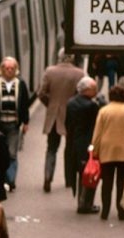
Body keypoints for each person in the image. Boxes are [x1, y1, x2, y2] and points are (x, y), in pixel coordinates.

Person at [36, 51, 86, 193]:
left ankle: (48, 177)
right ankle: (69, 179)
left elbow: (41, 93)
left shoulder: (50, 71)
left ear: (59, 57)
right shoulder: (79, 74)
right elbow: (82, 94)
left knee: (51, 148)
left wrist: (50, 104)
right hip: (72, 116)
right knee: (70, 149)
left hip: (53, 115)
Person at [91, 84, 124, 221]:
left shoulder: (104, 111)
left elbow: (97, 133)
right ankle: (121, 211)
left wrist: (95, 150)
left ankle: (105, 211)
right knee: (122, 182)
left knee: (107, 182)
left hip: (107, 150)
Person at [0, 57, 30, 192]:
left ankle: (10, 181)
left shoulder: (20, 84)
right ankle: (1, 179)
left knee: (12, 153)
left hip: (14, 125)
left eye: (12, 68)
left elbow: (24, 104)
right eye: (6, 68)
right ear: (1, 69)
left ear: (16, 70)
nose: (9, 70)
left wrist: (26, 122)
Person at [65, 75, 101, 211]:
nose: (96, 91)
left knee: (80, 172)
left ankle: (81, 201)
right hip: (88, 143)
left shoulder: (71, 103)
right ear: (87, 90)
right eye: (94, 88)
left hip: (73, 142)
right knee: (90, 173)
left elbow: (68, 124)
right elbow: (96, 126)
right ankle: (86, 204)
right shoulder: (92, 106)